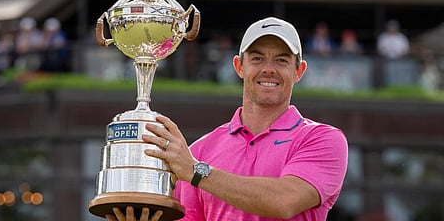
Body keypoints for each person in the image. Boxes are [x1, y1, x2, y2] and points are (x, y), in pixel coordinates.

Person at [106, 17, 348, 221]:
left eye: (282, 60)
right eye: (257, 58)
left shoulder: (323, 139)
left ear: (299, 71)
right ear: (239, 66)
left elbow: (284, 201)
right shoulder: (201, 150)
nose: (268, 69)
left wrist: (196, 171)